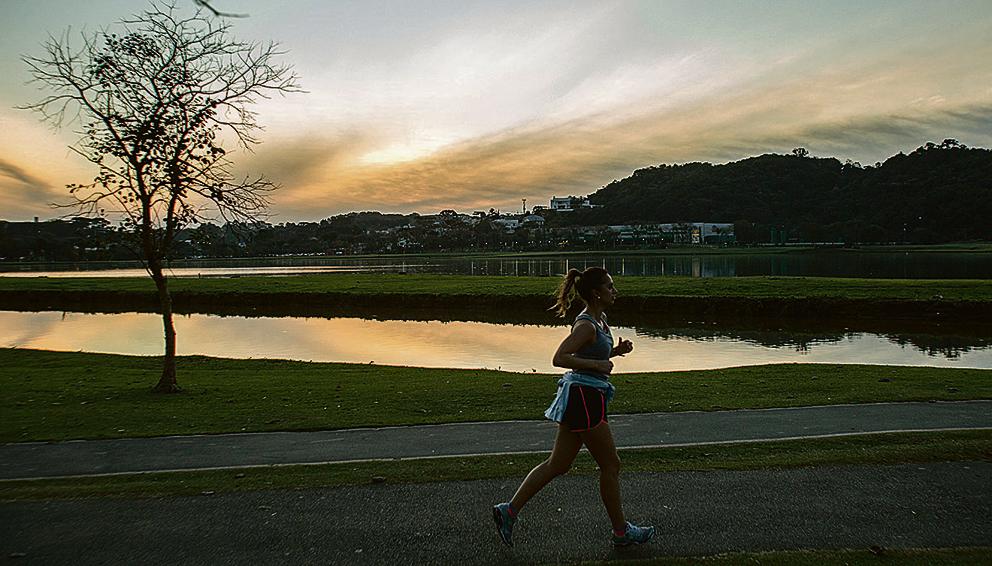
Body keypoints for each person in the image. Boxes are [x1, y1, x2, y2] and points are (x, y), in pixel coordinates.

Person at [492, 266, 655, 547]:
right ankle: (621, 532)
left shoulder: (599, 319)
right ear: (596, 293)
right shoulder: (586, 325)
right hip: (584, 398)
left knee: (558, 464)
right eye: (610, 287)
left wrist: (615, 351)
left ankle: (509, 510)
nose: (614, 291)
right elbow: (560, 357)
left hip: (585, 396)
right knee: (610, 464)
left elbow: (589, 352)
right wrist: (597, 364)